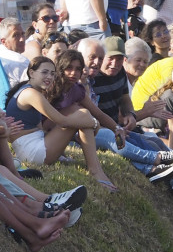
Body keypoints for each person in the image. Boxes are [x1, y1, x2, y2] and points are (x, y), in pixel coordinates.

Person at [5, 55, 118, 190]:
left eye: (52, 74)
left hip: (31, 148)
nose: (49, 77)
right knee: (83, 116)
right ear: (31, 73)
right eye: (44, 72)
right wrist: (93, 123)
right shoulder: (30, 93)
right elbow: (62, 121)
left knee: (82, 115)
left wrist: (88, 123)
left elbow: (42, 128)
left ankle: (95, 169)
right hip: (33, 152)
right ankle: (95, 171)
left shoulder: (31, 90)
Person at [0, 18, 30, 87]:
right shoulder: (20, 60)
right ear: (4, 41)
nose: (22, 39)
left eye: (22, 34)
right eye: (16, 35)